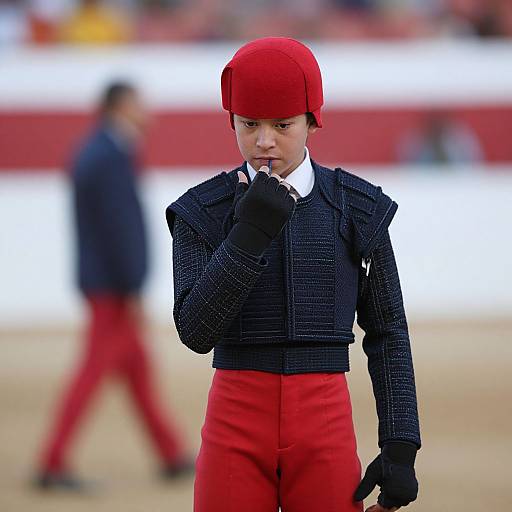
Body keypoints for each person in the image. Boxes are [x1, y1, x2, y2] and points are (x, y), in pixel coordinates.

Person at [166, 37, 420, 512]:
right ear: (232, 121)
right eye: (249, 124)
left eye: (282, 125)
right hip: (234, 419)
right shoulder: (201, 211)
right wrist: (249, 232)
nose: (264, 141)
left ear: (312, 121)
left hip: (324, 421)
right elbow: (196, 331)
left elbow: (387, 330)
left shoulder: (358, 208)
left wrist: (401, 442)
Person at [35, 81, 194, 491]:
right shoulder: (110, 155)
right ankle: (51, 463)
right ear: (120, 107)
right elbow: (120, 229)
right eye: (139, 103)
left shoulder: (100, 150)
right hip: (113, 287)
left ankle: (171, 454)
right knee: (91, 374)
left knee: (138, 373)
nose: (146, 110)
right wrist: (133, 286)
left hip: (107, 282)